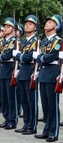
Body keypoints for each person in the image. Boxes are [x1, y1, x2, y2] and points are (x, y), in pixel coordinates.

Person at [33, 14, 61, 142]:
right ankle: (46, 130)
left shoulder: (59, 41)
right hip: (44, 74)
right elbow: (40, 57)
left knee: (52, 105)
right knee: (45, 105)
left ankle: (53, 132)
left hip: (52, 74)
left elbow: (51, 57)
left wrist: (41, 58)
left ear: (56, 27)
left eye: (50, 22)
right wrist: (41, 60)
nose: (47, 24)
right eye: (47, 22)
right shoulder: (43, 41)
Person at [13, 15, 38, 135]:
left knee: (31, 101)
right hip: (22, 71)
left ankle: (32, 126)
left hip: (30, 72)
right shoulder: (23, 42)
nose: (27, 25)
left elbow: (29, 57)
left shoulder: (36, 42)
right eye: (26, 24)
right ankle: (26, 123)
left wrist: (19, 56)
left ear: (35, 27)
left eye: (30, 24)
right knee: (23, 100)